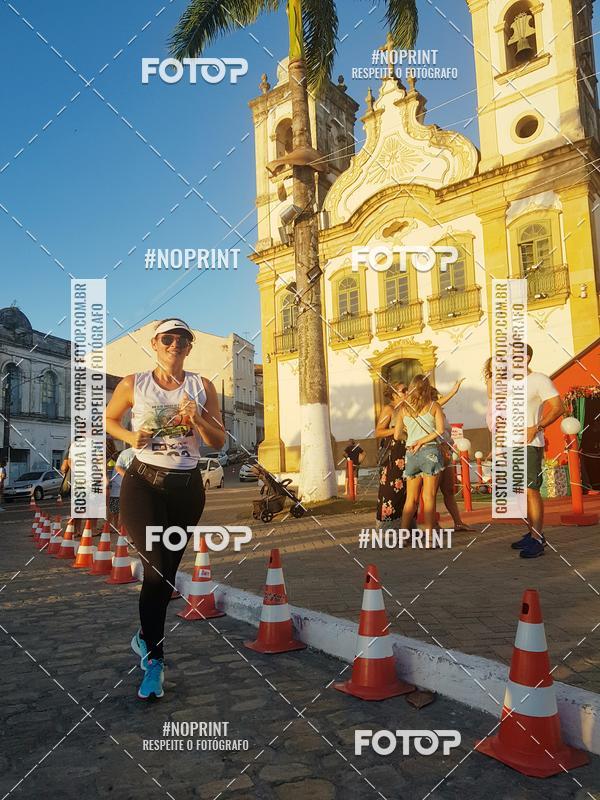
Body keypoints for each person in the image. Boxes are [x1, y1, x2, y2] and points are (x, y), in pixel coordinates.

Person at [105, 318, 225, 700]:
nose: (175, 344)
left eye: (182, 340)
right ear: (155, 344)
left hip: (186, 490)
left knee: (167, 578)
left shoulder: (202, 387)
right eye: (168, 338)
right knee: (155, 570)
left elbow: (218, 441)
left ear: (189, 347)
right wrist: (130, 435)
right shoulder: (133, 384)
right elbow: (109, 419)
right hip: (143, 484)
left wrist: (198, 418)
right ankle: (155, 661)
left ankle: (145, 636)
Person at [511, 345, 563, 559]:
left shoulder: (539, 379)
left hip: (530, 443)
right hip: (511, 444)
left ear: (526, 358)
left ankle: (537, 538)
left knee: (531, 490)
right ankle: (531, 532)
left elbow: (558, 407)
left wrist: (537, 427)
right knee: (520, 491)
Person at [395, 375, 445, 544]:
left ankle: (403, 537)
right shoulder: (433, 406)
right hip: (430, 452)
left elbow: (397, 435)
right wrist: (422, 440)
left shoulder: (403, 409)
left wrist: (411, 439)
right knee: (429, 496)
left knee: (411, 499)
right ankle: (430, 538)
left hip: (411, 454)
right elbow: (440, 431)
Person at [431, 383, 475, 532]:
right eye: (434, 396)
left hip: (447, 452)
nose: (437, 398)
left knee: (448, 490)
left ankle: (458, 522)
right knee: (431, 492)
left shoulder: (440, 412)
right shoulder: (429, 411)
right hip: (436, 452)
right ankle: (432, 523)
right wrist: (453, 392)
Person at [375, 382, 408, 522]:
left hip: (407, 452)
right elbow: (378, 432)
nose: (407, 392)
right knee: (391, 489)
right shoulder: (389, 409)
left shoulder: (408, 407)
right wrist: (397, 429)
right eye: (403, 390)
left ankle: (406, 523)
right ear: (394, 394)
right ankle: (388, 523)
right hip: (394, 454)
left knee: (406, 490)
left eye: (408, 389)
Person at [108, 447, 135, 528]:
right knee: (113, 512)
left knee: (118, 512)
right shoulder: (117, 468)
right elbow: (116, 479)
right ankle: (110, 526)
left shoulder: (121, 467)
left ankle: (117, 526)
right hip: (116, 493)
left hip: (120, 492)